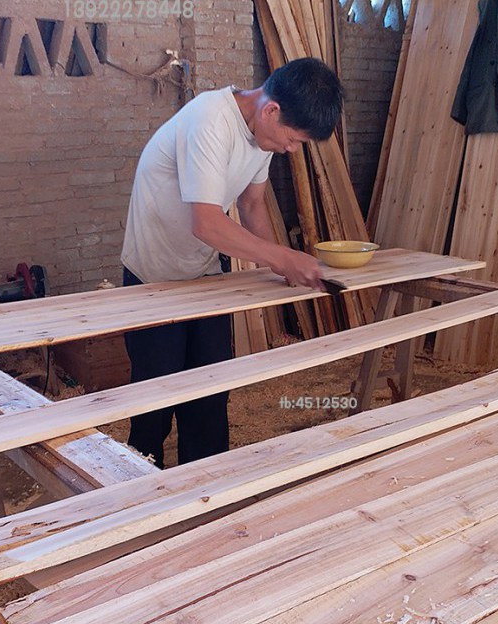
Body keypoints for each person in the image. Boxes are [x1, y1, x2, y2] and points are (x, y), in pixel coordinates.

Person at [120, 57, 344, 468]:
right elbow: (206, 223)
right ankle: (139, 488)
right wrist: (283, 256)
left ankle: (208, 489)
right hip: (154, 276)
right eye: (293, 139)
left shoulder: (262, 135)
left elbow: (252, 204)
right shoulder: (210, 120)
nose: (291, 149)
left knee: (210, 395)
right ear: (271, 110)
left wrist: (279, 267)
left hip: (206, 275)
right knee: (154, 401)